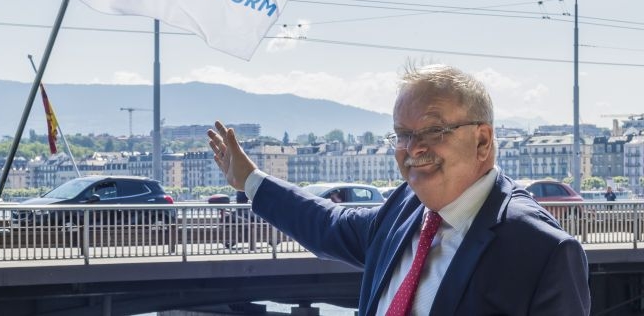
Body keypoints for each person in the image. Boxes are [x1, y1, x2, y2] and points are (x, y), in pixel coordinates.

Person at [208, 63, 590, 315]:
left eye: (434, 130)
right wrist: (251, 180)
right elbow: (327, 224)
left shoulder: (542, 250)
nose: (414, 148)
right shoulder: (404, 209)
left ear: (483, 141)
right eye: (403, 134)